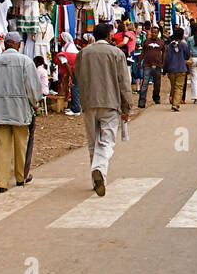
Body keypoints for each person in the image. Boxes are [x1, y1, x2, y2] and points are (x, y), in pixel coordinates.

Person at [75, 22, 134, 196]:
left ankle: (97, 180)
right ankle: (99, 169)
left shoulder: (83, 53)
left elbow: (78, 75)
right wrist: (127, 106)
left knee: (93, 143)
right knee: (107, 141)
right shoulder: (116, 53)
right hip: (110, 102)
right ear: (109, 36)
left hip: (88, 102)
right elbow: (124, 82)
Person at [0, 31, 42, 192]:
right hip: (20, 109)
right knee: (21, 144)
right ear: (18, 45)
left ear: (5, 44)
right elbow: (32, 87)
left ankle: (1, 182)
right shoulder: (25, 61)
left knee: (1, 147)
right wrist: (35, 103)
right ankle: (20, 177)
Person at [137, 24, 165, 107]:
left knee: (157, 84)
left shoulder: (161, 42)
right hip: (147, 65)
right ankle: (142, 101)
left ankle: (156, 97)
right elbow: (143, 52)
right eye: (152, 32)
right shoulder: (146, 41)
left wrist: (163, 63)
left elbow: (164, 53)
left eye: (155, 33)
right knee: (144, 83)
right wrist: (139, 62)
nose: (154, 34)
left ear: (158, 33)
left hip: (157, 65)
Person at [164, 26, 191, 110]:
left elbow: (167, 59)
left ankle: (172, 98)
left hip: (171, 69)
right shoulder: (184, 45)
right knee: (179, 87)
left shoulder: (169, 46)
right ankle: (175, 104)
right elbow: (187, 56)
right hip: (181, 68)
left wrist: (165, 70)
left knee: (173, 86)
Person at [55, 32, 80, 115]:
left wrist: (71, 77)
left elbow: (67, 65)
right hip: (76, 69)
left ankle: (76, 110)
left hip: (76, 69)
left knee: (74, 88)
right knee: (74, 88)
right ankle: (74, 107)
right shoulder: (66, 48)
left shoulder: (62, 54)